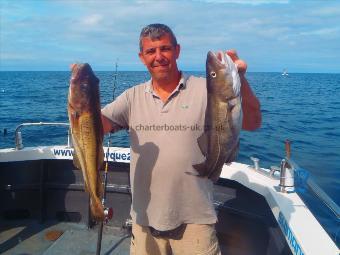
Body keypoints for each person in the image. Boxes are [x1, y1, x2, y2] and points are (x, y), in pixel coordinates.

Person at [101, 24, 261, 255]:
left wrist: (240, 79)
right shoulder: (132, 97)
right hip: (144, 218)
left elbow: (252, 123)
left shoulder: (207, 89)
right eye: (151, 51)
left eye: (165, 49)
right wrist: (81, 96)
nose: (158, 57)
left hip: (196, 219)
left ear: (177, 51)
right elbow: (98, 126)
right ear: (141, 57)